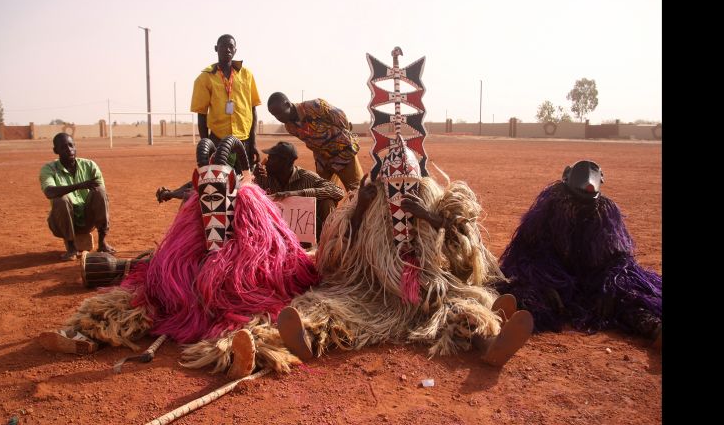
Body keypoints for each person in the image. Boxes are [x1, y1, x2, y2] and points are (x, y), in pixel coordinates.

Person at [180, 136, 533, 378]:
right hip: (375, 293)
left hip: (429, 287)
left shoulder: (432, 201)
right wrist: (362, 207)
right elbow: (339, 257)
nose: (400, 194)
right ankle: (304, 338)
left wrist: (431, 218)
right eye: (393, 187)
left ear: (419, 181)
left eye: (407, 185)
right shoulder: (369, 204)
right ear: (382, 185)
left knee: (461, 309)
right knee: (329, 309)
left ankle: (490, 342)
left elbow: (463, 247)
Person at [38, 136, 321, 381]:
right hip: (194, 285)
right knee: (140, 300)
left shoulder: (252, 208)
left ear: (234, 184)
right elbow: (175, 255)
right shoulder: (192, 215)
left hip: (238, 280)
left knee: (253, 307)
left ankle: (242, 351)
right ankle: (83, 335)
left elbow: (270, 249)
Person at [495, 160, 662, 350]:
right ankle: (504, 326)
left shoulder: (604, 213)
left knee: (626, 300)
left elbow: (617, 258)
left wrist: (610, 286)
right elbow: (526, 251)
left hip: (592, 284)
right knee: (528, 297)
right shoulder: (547, 209)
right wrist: (542, 280)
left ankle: (653, 326)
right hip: (550, 282)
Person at [39, 133, 115, 261]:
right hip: (61, 224)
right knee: (60, 199)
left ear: (75, 146)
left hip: (88, 220)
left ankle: (102, 242)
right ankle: (71, 247)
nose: (69, 149)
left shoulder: (89, 166)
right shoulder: (48, 169)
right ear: (55, 150)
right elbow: (49, 192)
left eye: (71, 145)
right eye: (63, 147)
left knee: (100, 191)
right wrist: (79, 186)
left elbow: (99, 192)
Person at [191, 34, 261, 171]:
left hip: (244, 141)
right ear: (216, 48)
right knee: (220, 182)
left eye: (231, 47)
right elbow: (202, 115)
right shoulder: (205, 78)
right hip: (218, 141)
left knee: (245, 182)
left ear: (235, 50)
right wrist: (207, 146)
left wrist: (253, 144)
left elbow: (253, 110)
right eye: (223, 46)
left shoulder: (247, 74)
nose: (227, 50)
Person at [267, 92, 363, 191]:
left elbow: (341, 117)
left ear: (287, 104)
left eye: (279, 113)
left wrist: (340, 138)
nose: (278, 118)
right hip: (323, 160)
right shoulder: (289, 127)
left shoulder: (315, 106)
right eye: (275, 115)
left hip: (343, 154)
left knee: (356, 190)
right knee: (324, 192)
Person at [253, 141, 344, 242]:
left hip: (305, 236)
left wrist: (297, 193)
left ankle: (326, 244)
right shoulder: (264, 177)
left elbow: (337, 191)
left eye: (271, 158)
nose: (266, 162)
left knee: (327, 202)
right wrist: (253, 176)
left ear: (285, 162)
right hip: (274, 235)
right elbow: (244, 195)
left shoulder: (307, 178)